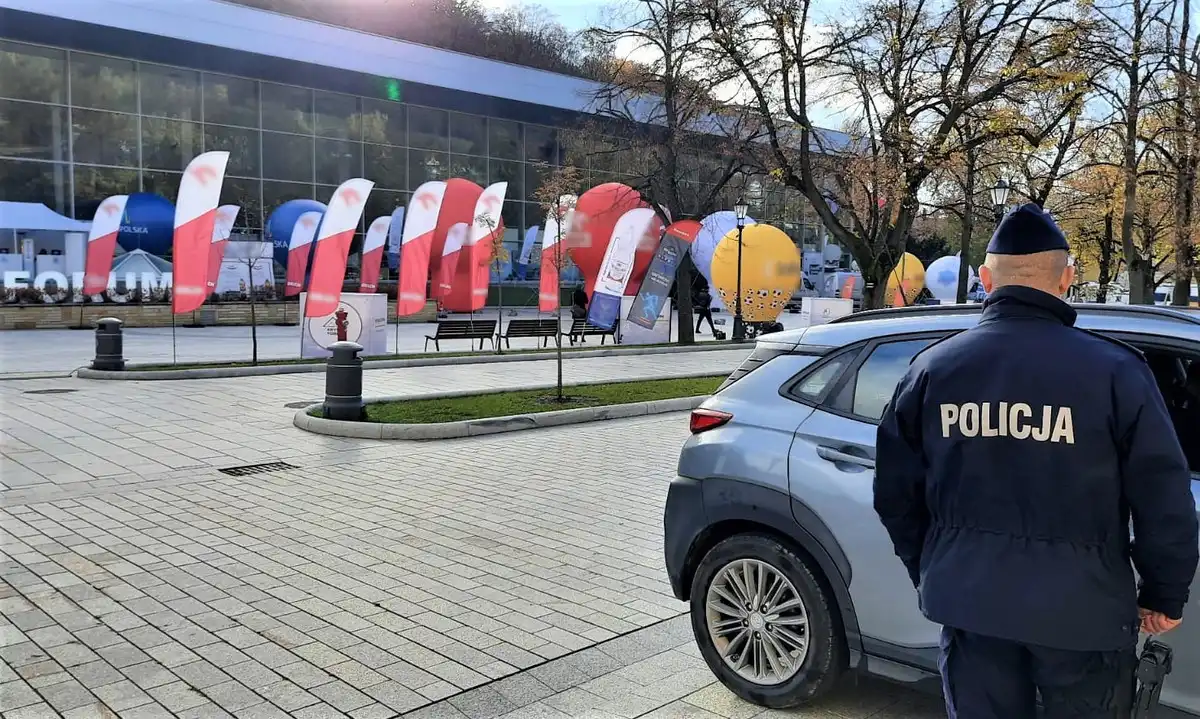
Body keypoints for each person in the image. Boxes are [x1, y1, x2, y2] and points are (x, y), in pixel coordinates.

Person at [873, 203, 1198, 719]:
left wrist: (935, 567)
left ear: (985, 280)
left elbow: (894, 495)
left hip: (972, 609)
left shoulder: (932, 369)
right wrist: (1165, 592)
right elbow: (1164, 498)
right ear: (1067, 279)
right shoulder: (1116, 373)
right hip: (1083, 616)